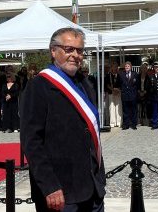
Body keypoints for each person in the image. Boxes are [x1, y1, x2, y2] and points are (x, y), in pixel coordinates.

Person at [20, 27, 106, 211]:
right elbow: (31, 141)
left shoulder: (84, 83)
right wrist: (49, 186)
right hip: (60, 193)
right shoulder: (38, 86)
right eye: (69, 49)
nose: (76, 55)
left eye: (80, 50)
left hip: (91, 189)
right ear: (53, 51)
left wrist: (100, 178)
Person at [118, 61, 139, 130]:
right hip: (125, 95)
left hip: (133, 95)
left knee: (133, 110)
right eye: (126, 66)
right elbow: (119, 84)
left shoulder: (135, 74)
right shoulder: (121, 74)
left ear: (131, 67)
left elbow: (137, 84)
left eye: (128, 66)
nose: (127, 67)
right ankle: (126, 124)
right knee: (125, 111)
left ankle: (133, 124)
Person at [104, 63, 121, 128]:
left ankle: (119, 122)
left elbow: (121, 84)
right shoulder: (108, 75)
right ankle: (112, 122)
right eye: (114, 67)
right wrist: (113, 89)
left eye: (116, 67)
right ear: (112, 68)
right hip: (111, 93)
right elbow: (106, 84)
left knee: (118, 108)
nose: (115, 68)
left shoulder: (119, 75)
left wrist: (118, 89)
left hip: (118, 93)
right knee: (112, 108)